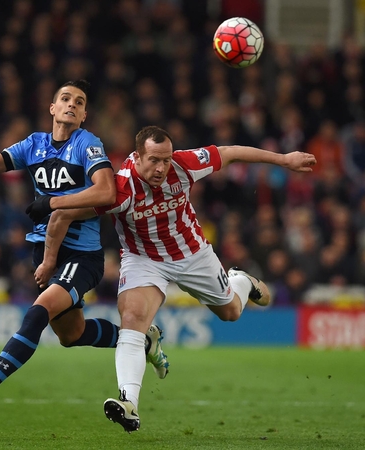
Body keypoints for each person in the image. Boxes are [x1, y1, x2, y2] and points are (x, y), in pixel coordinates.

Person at [0, 80, 169, 417]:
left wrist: (53, 202)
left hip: (82, 256)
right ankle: (143, 341)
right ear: (53, 108)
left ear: (84, 114)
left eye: (79, 101)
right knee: (71, 334)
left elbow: (106, 192)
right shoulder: (34, 145)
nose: (71, 104)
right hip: (46, 250)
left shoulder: (87, 145)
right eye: (65, 98)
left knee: (37, 312)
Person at [34, 125, 317, 432]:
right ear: (137, 157)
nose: (161, 168)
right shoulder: (120, 188)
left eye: (166, 160)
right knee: (132, 317)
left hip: (192, 253)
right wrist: (50, 260)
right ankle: (129, 403)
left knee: (232, 312)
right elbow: (64, 214)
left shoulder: (183, 165)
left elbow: (230, 152)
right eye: (154, 160)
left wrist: (285, 159)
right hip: (143, 259)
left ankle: (240, 280)